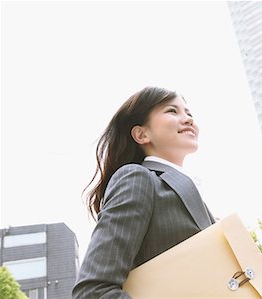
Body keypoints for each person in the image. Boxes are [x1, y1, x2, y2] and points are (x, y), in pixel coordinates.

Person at [72, 86, 215, 298]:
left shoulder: (191, 192)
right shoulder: (137, 178)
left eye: (189, 113)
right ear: (141, 134)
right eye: (172, 111)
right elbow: (93, 291)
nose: (188, 119)